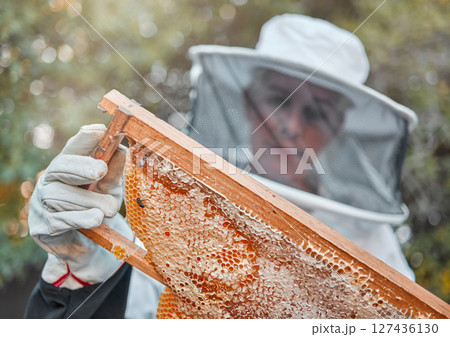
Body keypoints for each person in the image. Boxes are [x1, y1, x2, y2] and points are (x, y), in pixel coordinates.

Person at [25, 14, 417, 318]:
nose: (291, 125)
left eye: (316, 113)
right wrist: (85, 265)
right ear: (249, 104)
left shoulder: (373, 243)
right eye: (278, 99)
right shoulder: (185, 208)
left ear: (336, 129)